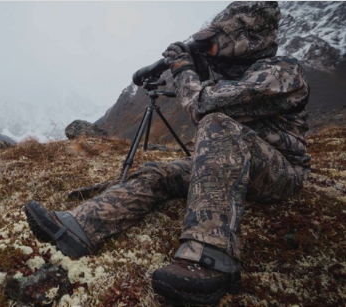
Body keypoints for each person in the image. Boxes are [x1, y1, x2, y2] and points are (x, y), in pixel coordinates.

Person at [24, 1, 310, 305]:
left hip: (281, 172)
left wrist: (184, 69)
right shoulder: (232, 73)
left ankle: (210, 256)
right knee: (161, 172)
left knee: (217, 123)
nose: (210, 50)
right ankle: (79, 226)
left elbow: (204, 105)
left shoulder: (283, 72)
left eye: (215, 44)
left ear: (243, 41)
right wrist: (198, 67)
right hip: (232, 163)